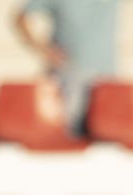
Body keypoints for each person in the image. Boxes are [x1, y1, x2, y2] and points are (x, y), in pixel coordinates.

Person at [14, 0, 120, 133]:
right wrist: (43, 50)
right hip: (69, 76)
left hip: (106, 76)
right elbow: (21, 17)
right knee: (69, 133)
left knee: (106, 137)